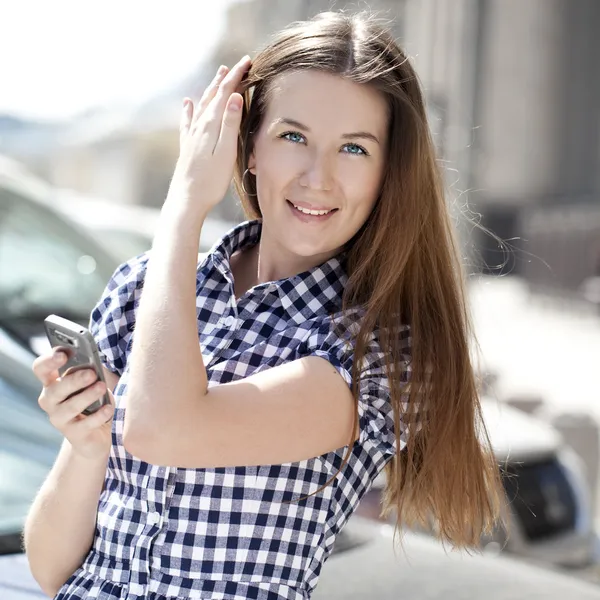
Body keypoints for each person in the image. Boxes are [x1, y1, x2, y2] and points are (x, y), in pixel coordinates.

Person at [25, 10, 504, 600]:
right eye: (293, 137)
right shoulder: (140, 292)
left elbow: (163, 430)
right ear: (247, 147)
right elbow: (50, 569)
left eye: (353, 149)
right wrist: (87, 442)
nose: (318, 177)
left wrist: (184, 204)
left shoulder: (378, 348)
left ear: (387, 175)